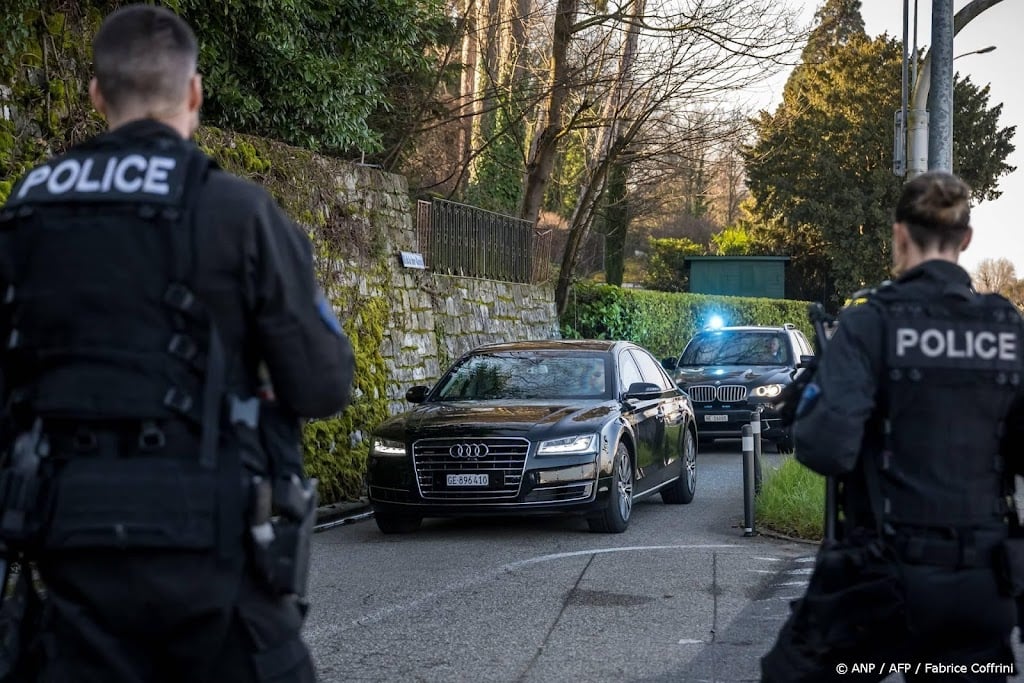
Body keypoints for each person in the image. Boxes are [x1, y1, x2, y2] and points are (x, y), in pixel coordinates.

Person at [0, 5, 355, 681]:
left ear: (97, 94)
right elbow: (322, 384)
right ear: (193, 92)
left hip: (67, 556)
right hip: (215, 561)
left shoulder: (25, 212)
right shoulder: (238, 212)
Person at [761, 171, 1024, 682]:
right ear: (966, 239)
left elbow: (824, 448)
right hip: (982, 582)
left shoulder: (870, 322)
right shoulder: (1006, 327)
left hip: (881, 581)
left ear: (899, 234)